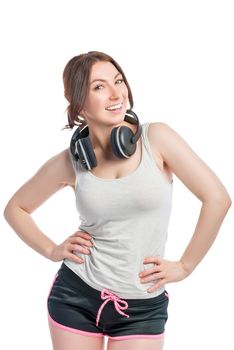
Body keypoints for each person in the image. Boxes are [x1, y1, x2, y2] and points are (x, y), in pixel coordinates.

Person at [3, 51, 232, 350]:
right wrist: (51, 249)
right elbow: (16, 209)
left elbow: (218, 199)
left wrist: (186, 265)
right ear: (79, 102)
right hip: (76, 295)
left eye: (118, 81)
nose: (116, 93)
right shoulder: (71, 162)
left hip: (142, 306)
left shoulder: (157, 139)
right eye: (99, 86)